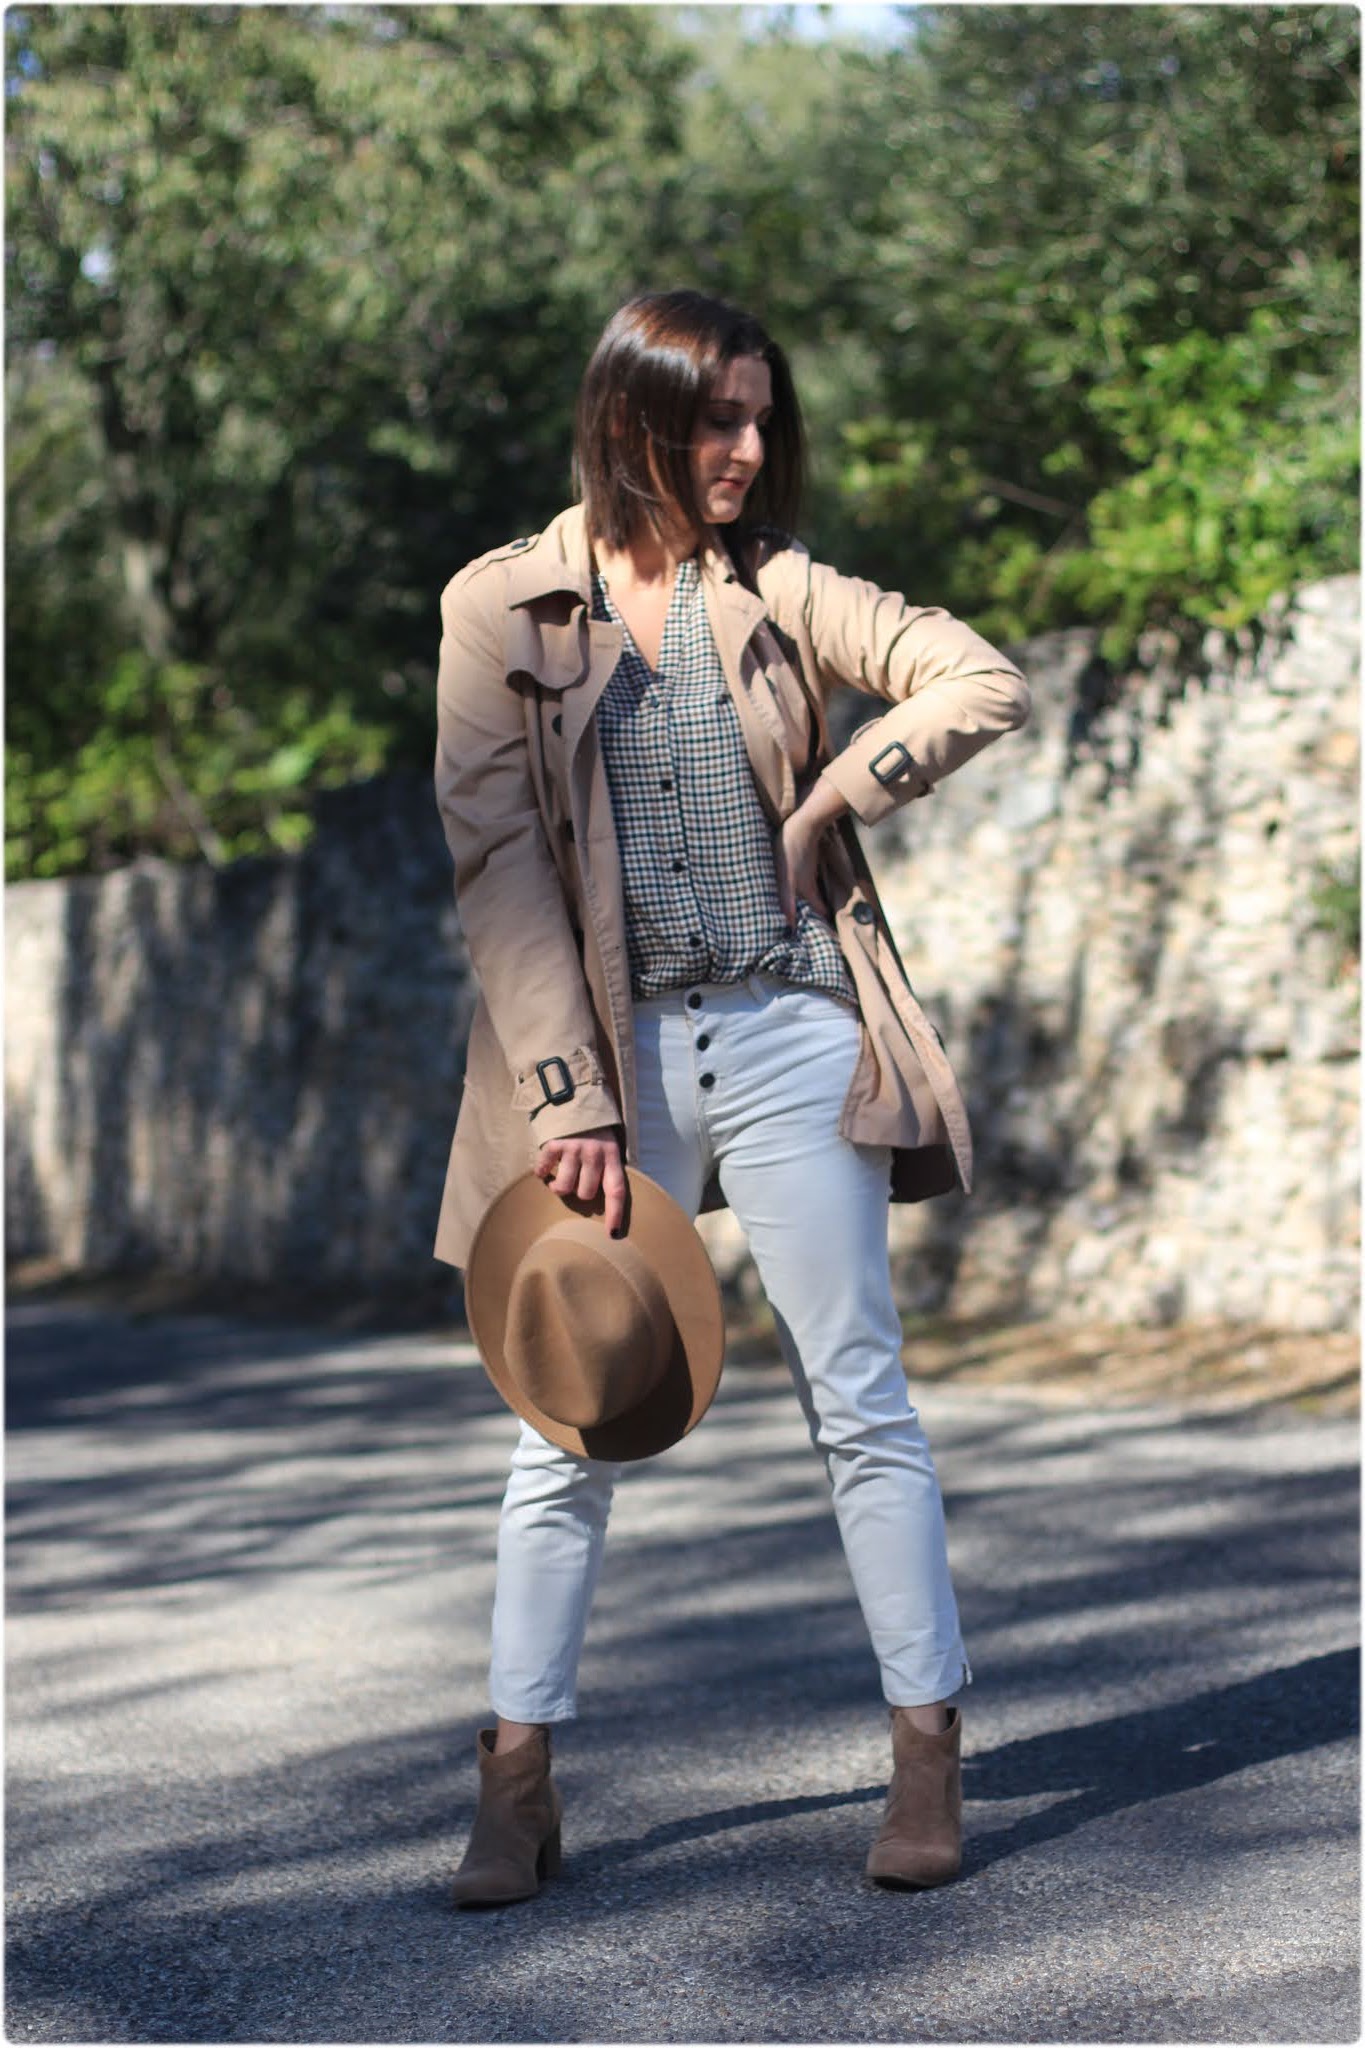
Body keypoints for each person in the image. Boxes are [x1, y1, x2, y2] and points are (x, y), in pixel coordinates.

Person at [432, 289, 1031, 1905]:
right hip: (607, 1061)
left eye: (763, 419)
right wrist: (568, 1095)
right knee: (563, 1425)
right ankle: (516, 1779)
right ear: (631, 420)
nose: (750, 450)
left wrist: (840, 785)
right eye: (719, 420)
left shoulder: (777, 584)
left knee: (859, 1396)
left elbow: (978, 679)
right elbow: (497, 870)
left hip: (789, 1033)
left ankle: (924, 1746)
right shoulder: (500, 606)